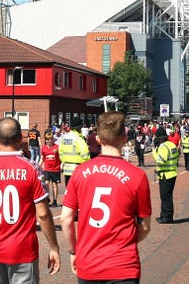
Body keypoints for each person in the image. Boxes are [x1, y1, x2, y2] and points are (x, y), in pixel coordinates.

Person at [0, 117, 60, 282]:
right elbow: (43, 215)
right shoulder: (32, 168)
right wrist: (54, 247)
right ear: (20, 139)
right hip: (23, 249)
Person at [60, 111, 151, 282]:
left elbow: (65, 219)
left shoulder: (80, 172)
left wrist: (73, 251)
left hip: (89, 262)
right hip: (123, 265)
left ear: (98, 139)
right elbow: (145, 226)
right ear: (124, 138)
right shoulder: (137, 176)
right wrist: (125, 244)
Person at [152, 127, 179, 224]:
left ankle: (166, 217)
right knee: (168, 196)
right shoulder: (171, 144)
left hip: (165, 174)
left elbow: (161, 161)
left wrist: (154, 152)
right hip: (172, 172)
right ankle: (164, 215)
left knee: (165, 197)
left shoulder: (163, 147)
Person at [59, 116, 90, 186]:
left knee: (69, 191)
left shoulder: (64, 137)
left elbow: (60, 152)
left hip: (66, 169)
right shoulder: (78, 139)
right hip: (77, 169)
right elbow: (85, 155)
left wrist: (64, 160)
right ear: (79, 127)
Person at [40, 129, 61, 207]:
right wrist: (38, 167)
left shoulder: (57, 147)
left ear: (52, 139)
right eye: (47, 140)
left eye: (50, 139)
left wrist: (62, 164)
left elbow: (61, 157)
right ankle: (47, 198)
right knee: (46, 183)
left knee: (54, 185)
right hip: (47, 169)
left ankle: (55, 200)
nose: (48, 141)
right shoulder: (43, 148)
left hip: (55, 169)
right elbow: (42, 158)